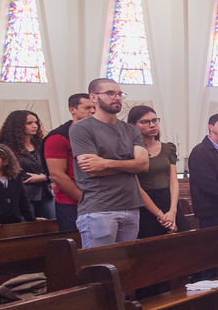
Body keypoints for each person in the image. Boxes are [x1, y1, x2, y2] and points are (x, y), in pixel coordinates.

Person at [69, 78, 149, 247]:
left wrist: (106, 163)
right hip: (100, 208)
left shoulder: (130, 129)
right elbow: (92, 169)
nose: (117, 97)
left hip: (131, 206)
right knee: (99, 267)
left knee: (125, 269)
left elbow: (143, 165)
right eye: (110, 93)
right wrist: (129, 165)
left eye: (120, 94)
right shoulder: (81, 128)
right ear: (93, 97)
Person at [127, 105, 182, 239]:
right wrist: (161, 216)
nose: (152, 125)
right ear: (134, 125)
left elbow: (173, 181)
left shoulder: (168, 148)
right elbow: (137, 187)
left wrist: (172, 211)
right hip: (146, 205)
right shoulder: (131, 151)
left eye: (154, 120)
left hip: (168, 200)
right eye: (145, 122)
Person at [44, 93, 96, 232]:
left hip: (99, 200)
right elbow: (57, 175)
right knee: (77, 245)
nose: (92, 111)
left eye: (94, 107)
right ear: (72, 110)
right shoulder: (59, 137)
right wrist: (85, 199)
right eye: (87, 107)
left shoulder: (97, 134)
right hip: (72, 203)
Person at [0, 109, 55, 221]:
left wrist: (45, 177)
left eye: (36, 122)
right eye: (29, 123)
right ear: (17, 126)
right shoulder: (6, 148)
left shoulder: (40, 144)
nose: (35, 126)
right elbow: (6, 171)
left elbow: (51, 166)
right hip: (23, 195)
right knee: (27, 228)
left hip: (44, 193)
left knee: (54, 223)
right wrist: (33, 178)